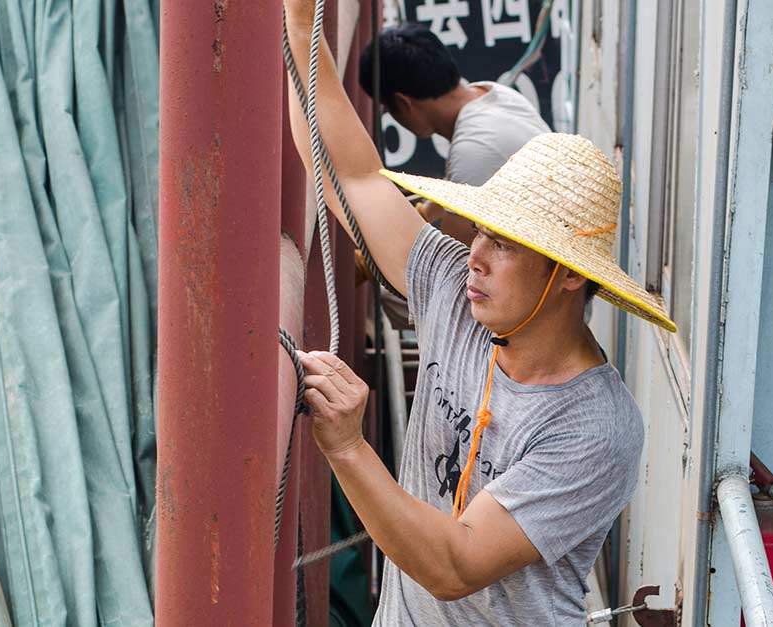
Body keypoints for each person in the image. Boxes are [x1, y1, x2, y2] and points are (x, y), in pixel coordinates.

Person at [283, 1, 676, 624]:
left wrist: (349, 447)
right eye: (481, 230)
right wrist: (302, 29)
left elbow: (456, 566)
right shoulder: (454, 293)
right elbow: (355, 177)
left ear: (569, 274)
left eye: (504, 243)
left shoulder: (596, 428)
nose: (475, 255)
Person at [358, 22, 550, 246]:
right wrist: (424, 214)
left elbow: (451, 266)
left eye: (388, 108)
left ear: (403, 102)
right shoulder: (496, 94)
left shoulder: (472, 150)